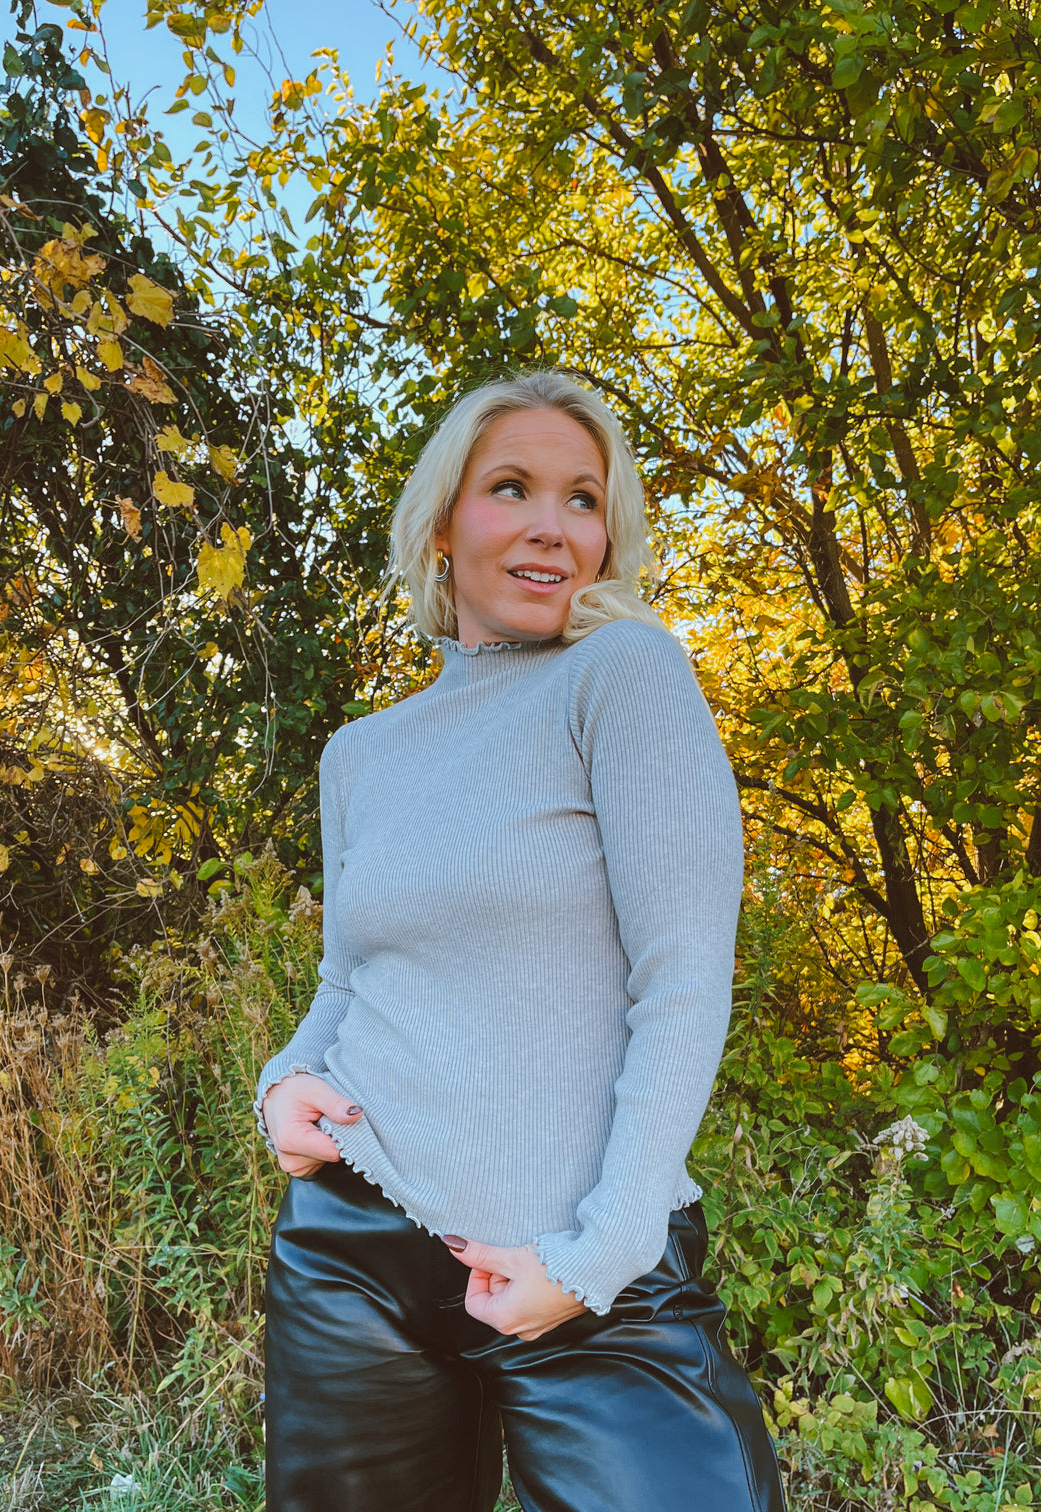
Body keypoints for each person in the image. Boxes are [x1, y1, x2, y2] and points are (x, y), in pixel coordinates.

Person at [255, 370, 786, 1512]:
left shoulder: (623, 674)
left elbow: (684, 981)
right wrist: (282, 1083)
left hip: (581, 1266)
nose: (554, 526)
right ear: (445, 525)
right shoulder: (360, 755)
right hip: (354, 1250)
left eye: (583, 500)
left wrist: (592, 1264)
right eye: (512, 488)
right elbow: (348, 976)